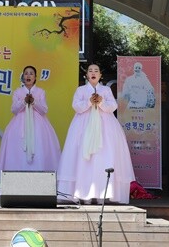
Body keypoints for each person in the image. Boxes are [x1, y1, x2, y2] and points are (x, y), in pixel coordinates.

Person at [57, 63, 135, 204]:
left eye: (96, 71)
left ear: (100, 75)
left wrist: (101, 102)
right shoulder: (81, 90)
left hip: (105, 127)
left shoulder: (105, 90)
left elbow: (113, 106)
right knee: (83, 159)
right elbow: (76, 106)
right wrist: (88, 102)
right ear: (87, 75)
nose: (93, 73)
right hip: (83, 127)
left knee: (103, 158)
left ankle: (101, 194)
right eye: (90, 70)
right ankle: (83, 194)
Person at [0, 66, 61, 173]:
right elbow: (14, 109)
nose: (28, 75)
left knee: (39, 147)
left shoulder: (41, 92)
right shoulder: (18, 92)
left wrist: (34, 102)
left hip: (38, 125)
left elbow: (44, 110)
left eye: (31, 73)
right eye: (26, 73)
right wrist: (23, 102)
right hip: (19, 125)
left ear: (35, 77)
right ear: (23, 76)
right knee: (18, 150)